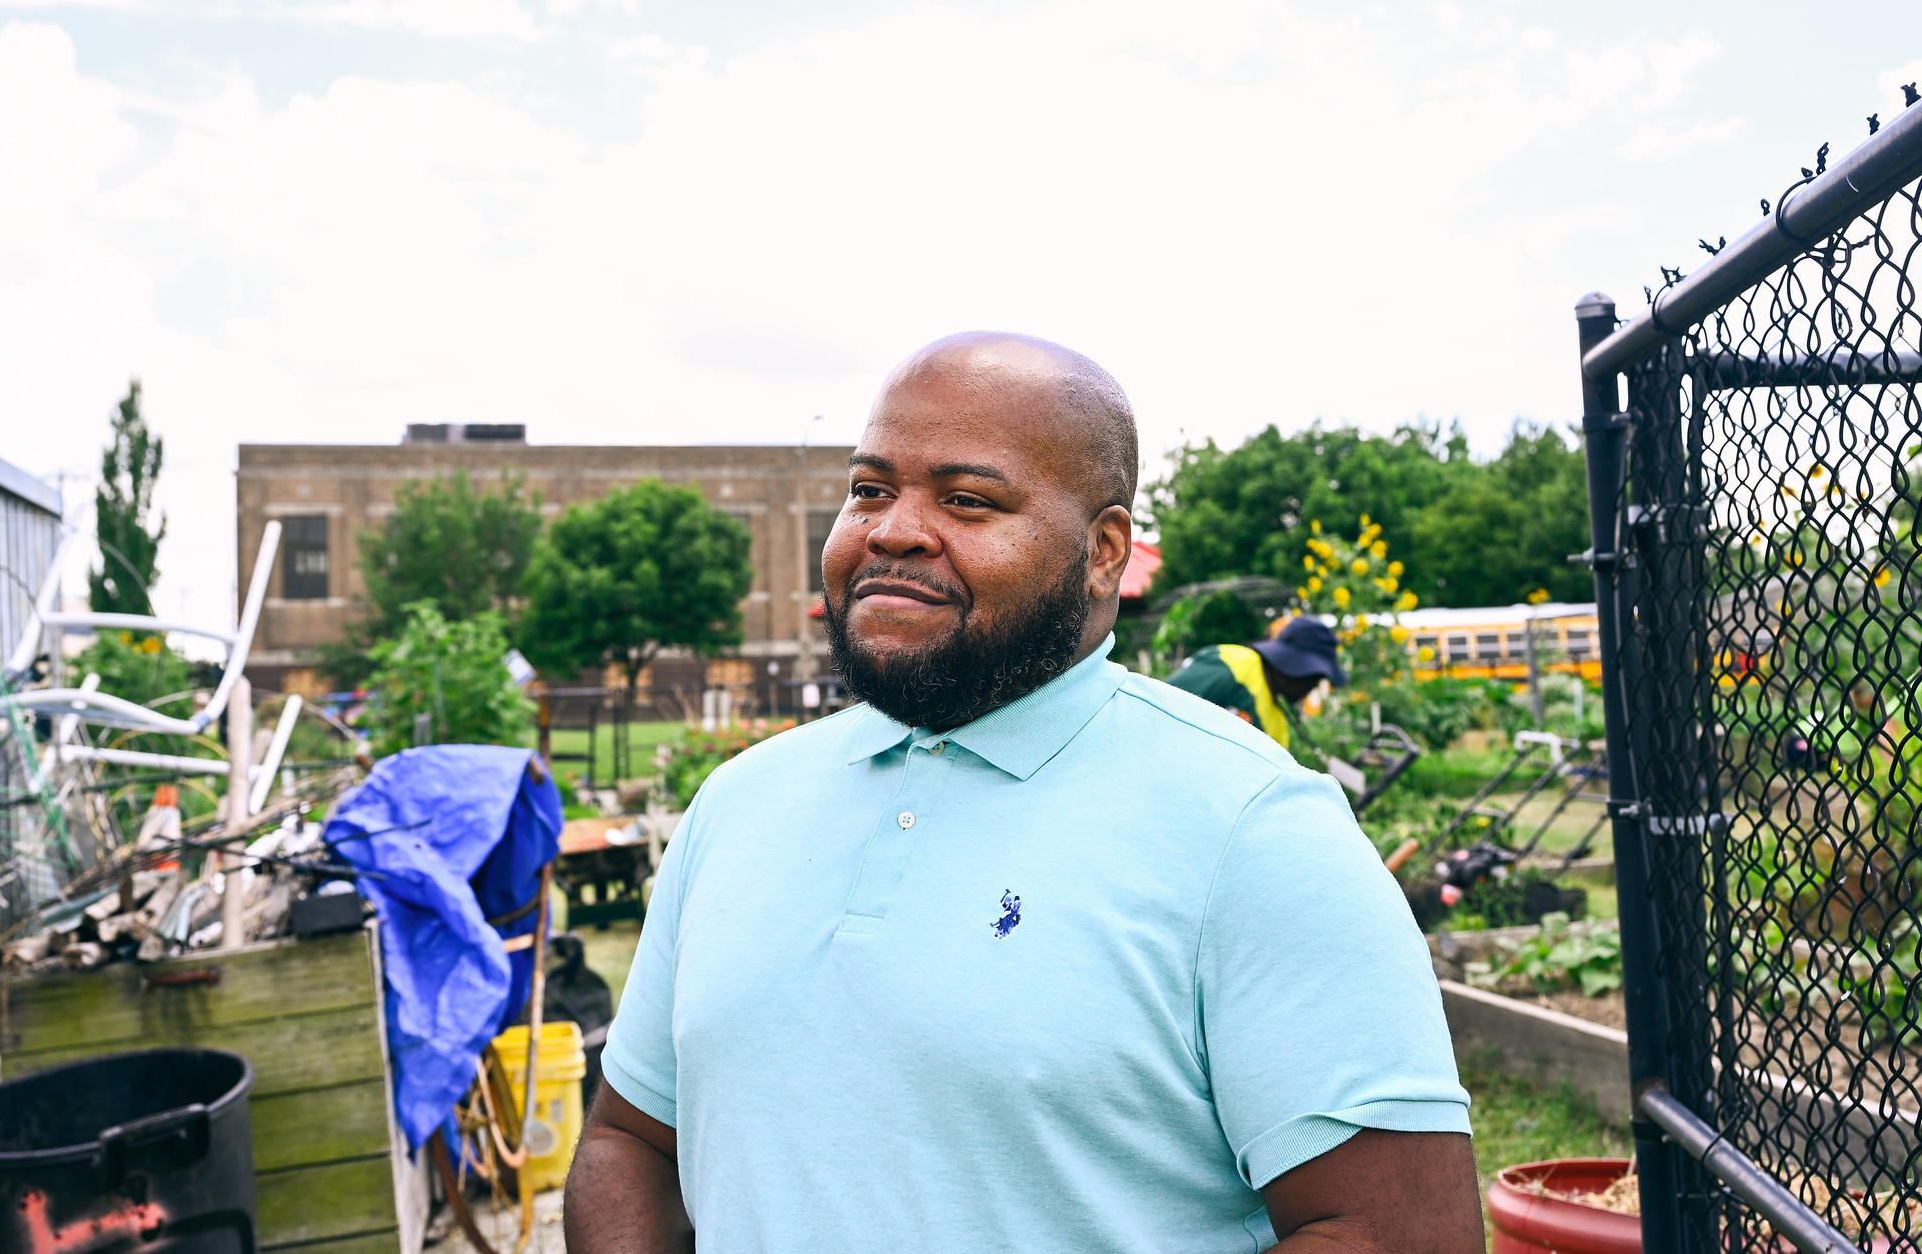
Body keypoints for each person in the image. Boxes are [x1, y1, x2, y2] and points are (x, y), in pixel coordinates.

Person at [566, 333, 1480, 1254]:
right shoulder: (738, 805)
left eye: (966, 499)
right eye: (870, 488)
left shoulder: (1252, 829)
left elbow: (1399, 1235)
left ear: (1102, 551)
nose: (891, 529)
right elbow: (630, 1140)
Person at [1166, 616, 1347, 749]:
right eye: (1312, 677)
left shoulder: (1278, 726)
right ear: (1295, 665)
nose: (1311, 687)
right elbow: (1161, 702)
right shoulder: (1235, 666)